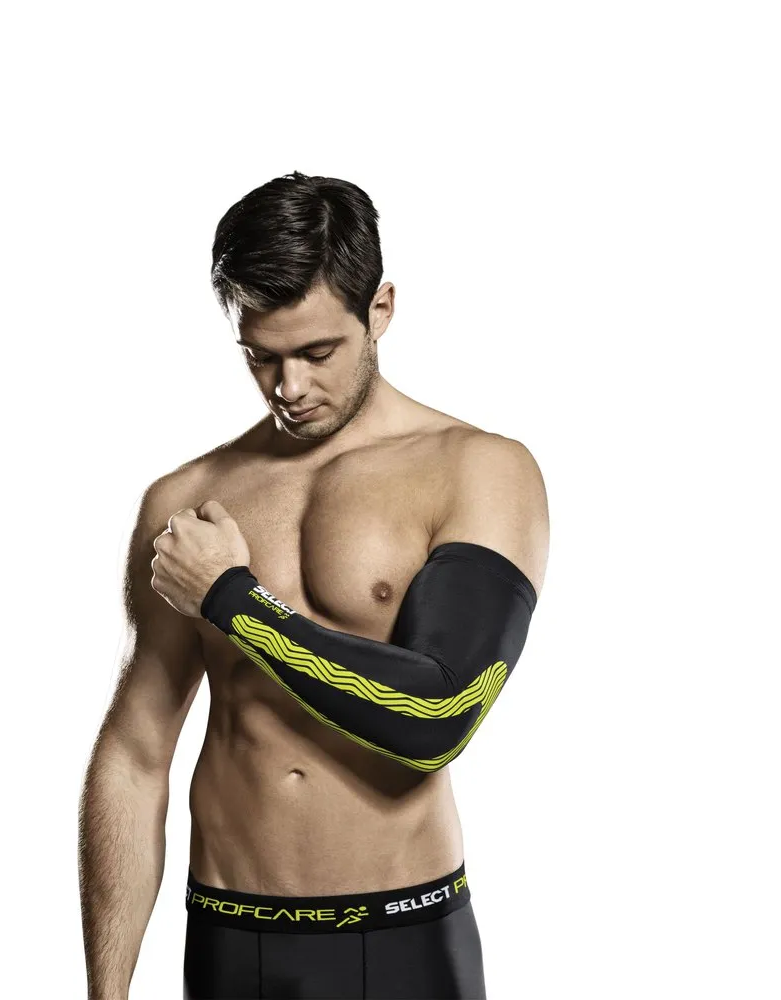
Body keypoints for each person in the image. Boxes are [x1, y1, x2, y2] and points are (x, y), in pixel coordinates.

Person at [78, 171, 549, 1000]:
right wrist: (105, 994)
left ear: (381, 309)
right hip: (229, 940)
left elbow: (438, 713)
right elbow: (135, 754)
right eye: (261, 357)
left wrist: (230, 600)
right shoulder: (187, 498)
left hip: (401, 938)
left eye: (317, 353)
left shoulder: (477, 470)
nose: (288, 388)